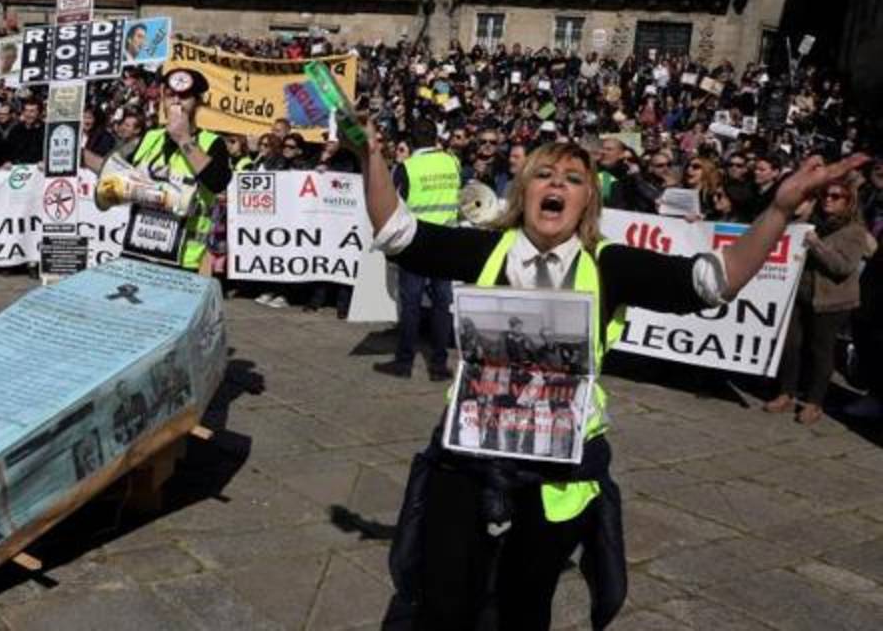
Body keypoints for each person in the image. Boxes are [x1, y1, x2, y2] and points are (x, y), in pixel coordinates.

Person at [353, 112, 868, 629]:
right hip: (467, 456)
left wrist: (779, 209)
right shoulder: (488, 248)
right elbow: (398, 233)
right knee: (442, 600)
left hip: (559, 472)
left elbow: (718, 280)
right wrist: (371, 154)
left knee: (525, 604)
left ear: (587, 203)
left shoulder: (610, 265)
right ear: (523, 191)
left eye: (573, 180)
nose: (557, 185)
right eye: (544, 175)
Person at [765, 176, 873, 425]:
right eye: (825, 195)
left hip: (832, 301)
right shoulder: (811, 222)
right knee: (791, 345)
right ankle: (786, 392)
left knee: (821, 351)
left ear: (848, 201)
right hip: (800, 295)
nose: (828, 200)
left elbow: (842, 266)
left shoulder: (855, 232)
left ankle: (814, 402)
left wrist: (816, 245)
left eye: (836, 197)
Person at [374, 118, 460, 381]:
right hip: (445, 240)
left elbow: (394, 205)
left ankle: (404, 362)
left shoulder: (406, 168)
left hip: (417, 240)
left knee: (410, 303)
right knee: (442, 303)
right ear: (436, 137)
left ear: (411, 141)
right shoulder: (452, 162)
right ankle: (438, 365)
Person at [128, 68, 232, 272]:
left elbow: (217, 182)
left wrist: (183, 139)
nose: (176, 101)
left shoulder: (213, 143)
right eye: (170, 95)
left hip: (183, 259)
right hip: (140, 249)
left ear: (198, 101)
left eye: (184, 97)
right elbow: (119, 173)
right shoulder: (150, 137)